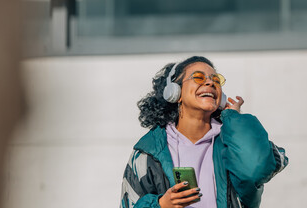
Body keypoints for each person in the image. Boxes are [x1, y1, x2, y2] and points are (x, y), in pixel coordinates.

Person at [120, 56, 288, 208]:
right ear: (175, 93)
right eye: (198, 77)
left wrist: (234, 118)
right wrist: (161, 205)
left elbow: (257, 168)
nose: (210, 83)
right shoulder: (147, 152)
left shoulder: (232, 141)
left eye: (216, 80)